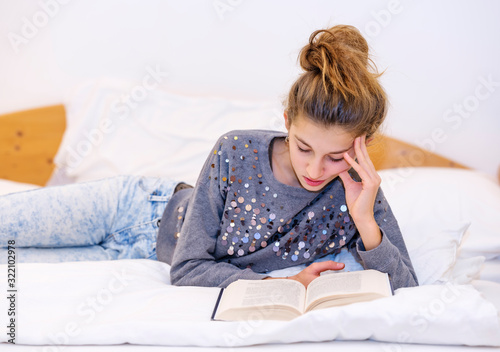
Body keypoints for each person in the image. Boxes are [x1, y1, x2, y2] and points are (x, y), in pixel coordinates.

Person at [0, 25, 418, 291]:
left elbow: (406, 289)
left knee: (12, 268)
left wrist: (365, 223)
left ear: (363, 145)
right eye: (303, 147)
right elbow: (189, 268)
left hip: (135, 258)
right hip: (132, 209)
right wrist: (283, 283)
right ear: (287, 121)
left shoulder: (359, 199)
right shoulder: (236, 150)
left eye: (336, 157)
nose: (314, 169)